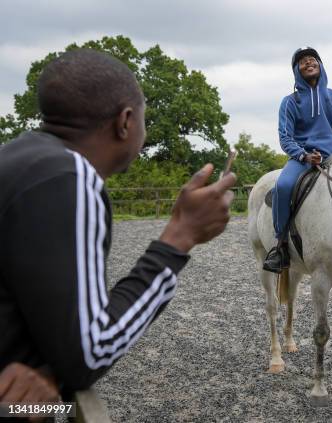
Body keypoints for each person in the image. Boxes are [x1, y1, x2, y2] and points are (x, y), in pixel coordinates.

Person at [0, 49, 236, 400]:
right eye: (144, 118)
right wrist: (178, 238)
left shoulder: (15, 157)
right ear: (125, 121)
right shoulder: (70, 178)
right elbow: (90, 353)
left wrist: (50, 371)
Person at [263, 46, 332, 273]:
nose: (308, 63)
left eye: (312, 59)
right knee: (283, 186)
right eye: (302, 61)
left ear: (320, 65)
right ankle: (281, 246)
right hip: (303, 158)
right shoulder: (290, 102)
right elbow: (285, 138)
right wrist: (303, 155)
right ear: (297, 70)